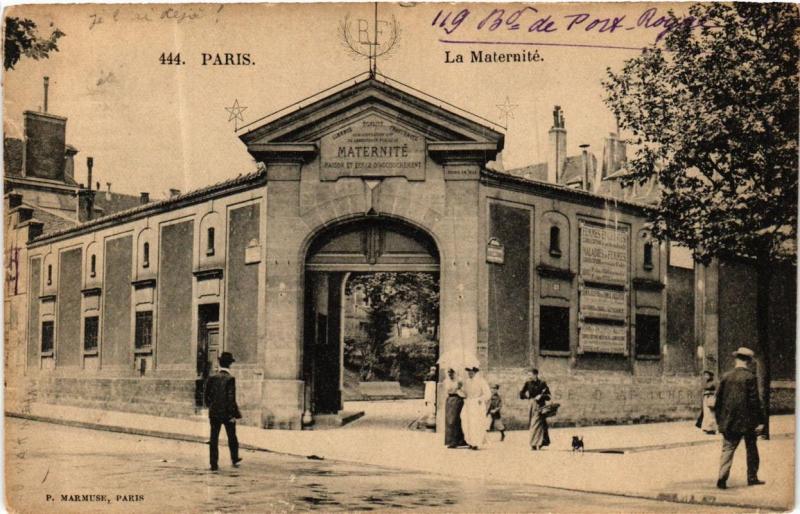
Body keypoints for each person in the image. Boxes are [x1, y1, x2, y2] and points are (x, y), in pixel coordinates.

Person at [714, 347, 765, 489]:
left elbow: (718, 401)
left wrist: (720, 421)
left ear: (736, 359)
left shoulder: (726, 376)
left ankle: (722, 478)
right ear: (748, 361)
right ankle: (752, 478)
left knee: (727, 449)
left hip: (729, 422)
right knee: (751, 448)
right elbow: (755, 401)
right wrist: (760, 422)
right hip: (747, 422)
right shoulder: (750, 377)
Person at [204, 351, 243, 471]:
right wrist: (233, 414)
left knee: (214, 438)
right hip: (227, 413)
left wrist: (211, 406)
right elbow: (231, 398)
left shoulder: (212, 377)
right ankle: (234, 457)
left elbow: (206, 396)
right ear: (230, 365)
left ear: (220, 363)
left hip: (214, 413)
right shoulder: (230, 379)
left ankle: (213, 463)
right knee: (232, 436)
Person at [460, 366, 491, 450]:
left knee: (475, 423)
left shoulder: (481, 381)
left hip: (477, 404)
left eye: (471, 372)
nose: (470, 373)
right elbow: (464, 394)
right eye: (468, 372)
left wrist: (481, 399)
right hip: (468, 403)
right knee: (466, 421)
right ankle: (469, 441)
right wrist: (460, 389)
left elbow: (488, 394)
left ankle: (476, 443)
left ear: (475, 372)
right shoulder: (466, 382)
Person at [519, 368, 551, 450]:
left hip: (541, 406)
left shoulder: (542, 383)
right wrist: (528, 397)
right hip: (532, 405)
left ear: (535, 375)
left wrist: (541, 396)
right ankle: (538, 443)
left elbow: (548, 396)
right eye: (528, 375)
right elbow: (521, 394)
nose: (529, 377)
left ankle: (534, 443)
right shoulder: (528, 383)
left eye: (530, 375)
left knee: (535, 424)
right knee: (535, 424)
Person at [443, 368, 466, 448]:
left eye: (452, 372)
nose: (450, 374)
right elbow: (449, 390)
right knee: (450, 420)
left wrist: (460, 387)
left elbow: (464, 391)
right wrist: (456, 387)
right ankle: (451, 441)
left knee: (458, 420)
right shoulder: (447, 381)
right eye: (449, 372)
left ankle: (460, 440)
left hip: (458, 399)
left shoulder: (460, 380)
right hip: (450, 399)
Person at [695, 370, 718, 434]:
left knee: (710, 414)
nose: (706, 376)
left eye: (707, 375)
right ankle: (707, 428)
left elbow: (715, 391)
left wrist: (709, 393)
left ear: (710, 376)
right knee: (706, 414)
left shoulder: (713, 382)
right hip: (706, 399)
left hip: (710, 398)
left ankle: (711, 429)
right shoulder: (707, 382)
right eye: (705, 375)